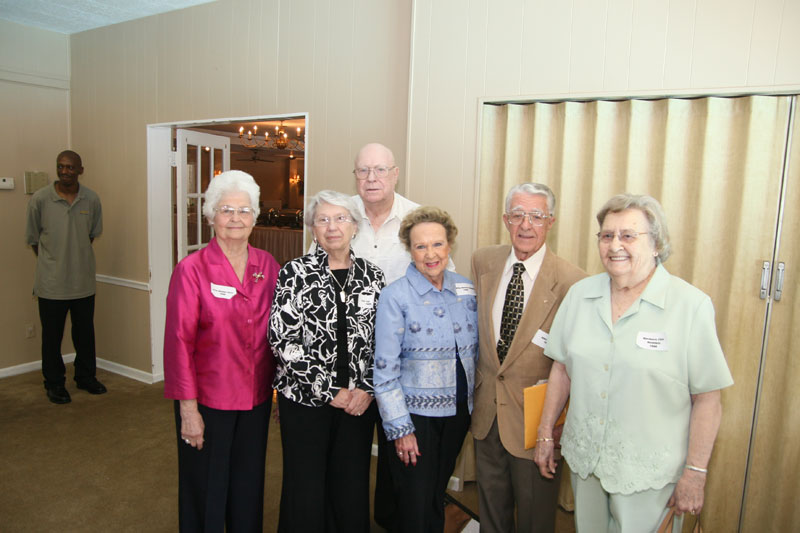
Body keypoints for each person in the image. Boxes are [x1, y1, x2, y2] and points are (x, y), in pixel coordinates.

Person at [534, 193, 734, 532]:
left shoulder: (690, 306)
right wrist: (544, 434)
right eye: (607, 235)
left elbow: (708, 399)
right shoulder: (581, 295)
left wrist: (696, 473)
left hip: (649, 476)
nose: (615, 245)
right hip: (587, 464)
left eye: (628, 235)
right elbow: (562, 369)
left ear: (656, 244)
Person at [163, 170, 280, 532]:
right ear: (211, 215)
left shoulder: (268, 266)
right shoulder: (191, 270)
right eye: (226, 209)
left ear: (255, 217)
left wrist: (283, 393)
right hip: (208, 403)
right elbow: (178, 344)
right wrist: (188, 410)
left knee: (248, 486)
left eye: (244, 211)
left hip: (257, 400)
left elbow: (280, 334)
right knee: (206, 489)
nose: (235, 218)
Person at [470, 183, 586, 532]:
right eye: (518, 214)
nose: (526, 224)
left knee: (536, 518)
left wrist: (555, 427)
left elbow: (575, 365)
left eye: (536, 216)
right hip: (487, 413)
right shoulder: (483, 262)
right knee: (491, 511)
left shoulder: (572, 282)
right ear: (506, 219)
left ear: (550, 222)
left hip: (538, 424)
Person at [269, 190, 385, 532]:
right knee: (305, 486)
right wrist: (327, 390)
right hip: (305, 401)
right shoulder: (294, 273)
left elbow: (386, 342)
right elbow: (282, 339)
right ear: (312, 229)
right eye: (323, 220)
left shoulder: (373, 277)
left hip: (359, 404)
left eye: (341, 218)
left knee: (350, 485)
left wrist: (366, 388)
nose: (332, 227)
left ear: (355, 226)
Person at [373, 206, 478, 533]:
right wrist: (400, 428)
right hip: (416, 417)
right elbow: (384, 371)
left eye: (437, 244)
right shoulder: (395, 296)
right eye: (420, 246)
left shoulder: (466, 290)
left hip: (459, 412)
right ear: (410, 249)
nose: (430, 254)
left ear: (450, 246)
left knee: (433, 492)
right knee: (415, 501)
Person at [25, 150, 105, 404]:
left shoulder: (91, 199)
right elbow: (34, 240)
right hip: (51, 284)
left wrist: (73, 257)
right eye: (61, 167)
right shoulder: (40, 199)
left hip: (83, 282)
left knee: (85, 334)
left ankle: (85, 377)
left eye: (71, 167)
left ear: (80, 170)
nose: (65, 171)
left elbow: (90, 236)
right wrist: (55, 261)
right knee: (52, 337)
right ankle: (54, 383)